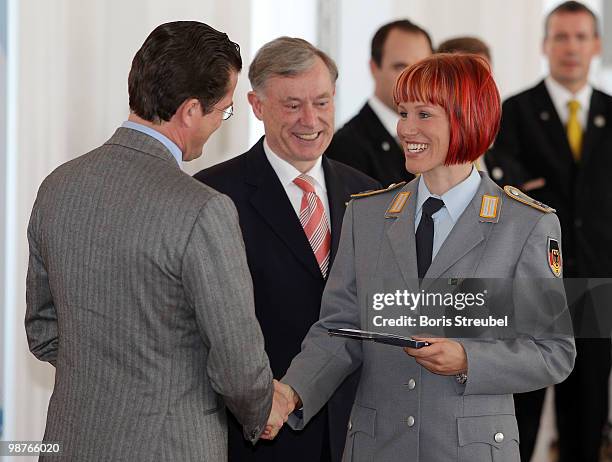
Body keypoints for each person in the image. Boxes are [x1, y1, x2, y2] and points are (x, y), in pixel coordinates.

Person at [271, 53, 576, 461]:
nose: (405, 129)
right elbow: (338, 330)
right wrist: (292, 391)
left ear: (466, 118)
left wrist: (469, 358)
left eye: (423, 114)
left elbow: (553, 351)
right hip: (377, 447)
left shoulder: (526, 226)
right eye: (402, 113)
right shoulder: (366, 215)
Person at [25, 21, 284, 461]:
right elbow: (238, 369)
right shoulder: (203, 208)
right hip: (170, 447)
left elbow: (43, 331)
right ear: (189, 111)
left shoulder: (57, 186)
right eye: (223, 110)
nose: (222, 123)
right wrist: (263, 408)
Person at [194, 37, 379, 462]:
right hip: (258, 434)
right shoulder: (211, 196)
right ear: (257, 106)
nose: (309, 120)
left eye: (322, 102)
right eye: (292, 105)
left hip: (355, 431)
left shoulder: (371, 196)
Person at [485, 2, 611, 460]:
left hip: (598, 285)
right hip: (532, 285)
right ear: (545, 45)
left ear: (596, 45)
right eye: (561, 36)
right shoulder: (513, 114)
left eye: (580, 37)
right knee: (522, 413)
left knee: (587, 414)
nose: (571, 47)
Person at [325, 19, 432, 186]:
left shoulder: (439, 136)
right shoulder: (345, 147)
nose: (413, 79)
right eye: (400, 67)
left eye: (423, 68)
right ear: (374, 68)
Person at [436, 36, 493, 176]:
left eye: (484, 78)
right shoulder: (423, 151)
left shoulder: (502, 152)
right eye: (464, 80)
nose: (478, 88)